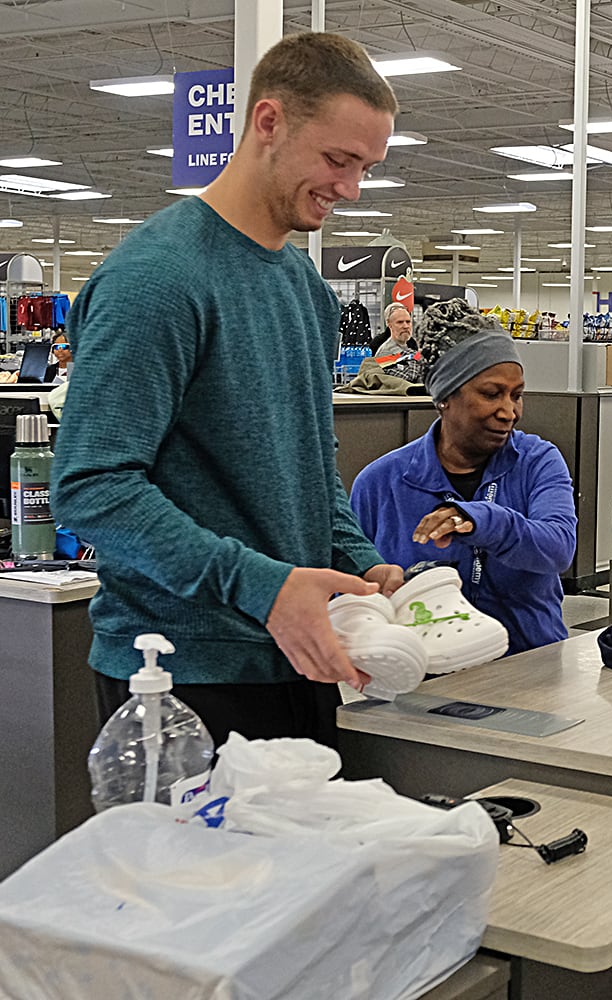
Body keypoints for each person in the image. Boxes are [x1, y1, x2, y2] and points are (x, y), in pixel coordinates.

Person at [53, 32, 405, 746]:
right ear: (268, 122)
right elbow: (93, 487)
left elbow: (307, 462)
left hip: (296, 656)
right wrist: (262, 586)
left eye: (366, 166)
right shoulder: (156, 280)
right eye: (338, 160)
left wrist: (358, 563)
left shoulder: (303, 286)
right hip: (181, 678)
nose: (351, 188)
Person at [350, 301, 577, 655]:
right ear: (444, 398)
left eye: (516, 396)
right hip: (423, 676)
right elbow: (349, 586)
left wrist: (478, 519)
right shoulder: (381, 484)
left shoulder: (536, 461)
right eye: (491, 394)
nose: (509, 412)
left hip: (529, 666)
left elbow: (557, 547)